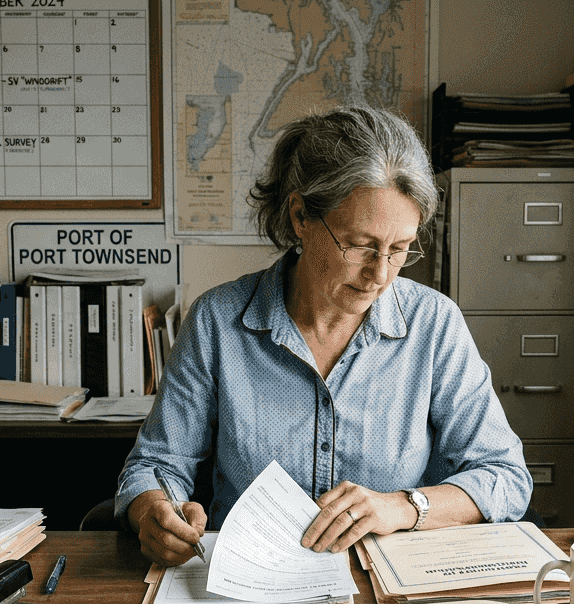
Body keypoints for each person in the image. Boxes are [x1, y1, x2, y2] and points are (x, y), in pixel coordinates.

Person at [115, 106, 530, 566]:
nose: (379, 274)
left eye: (399, 250)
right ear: (300, 217)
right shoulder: (218, 321)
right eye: (360, 245)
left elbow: (505, 477)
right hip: (246, 586)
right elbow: (154, 466)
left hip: (385, 595)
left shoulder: (434, 325)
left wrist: (404, 506)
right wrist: (154, 512)